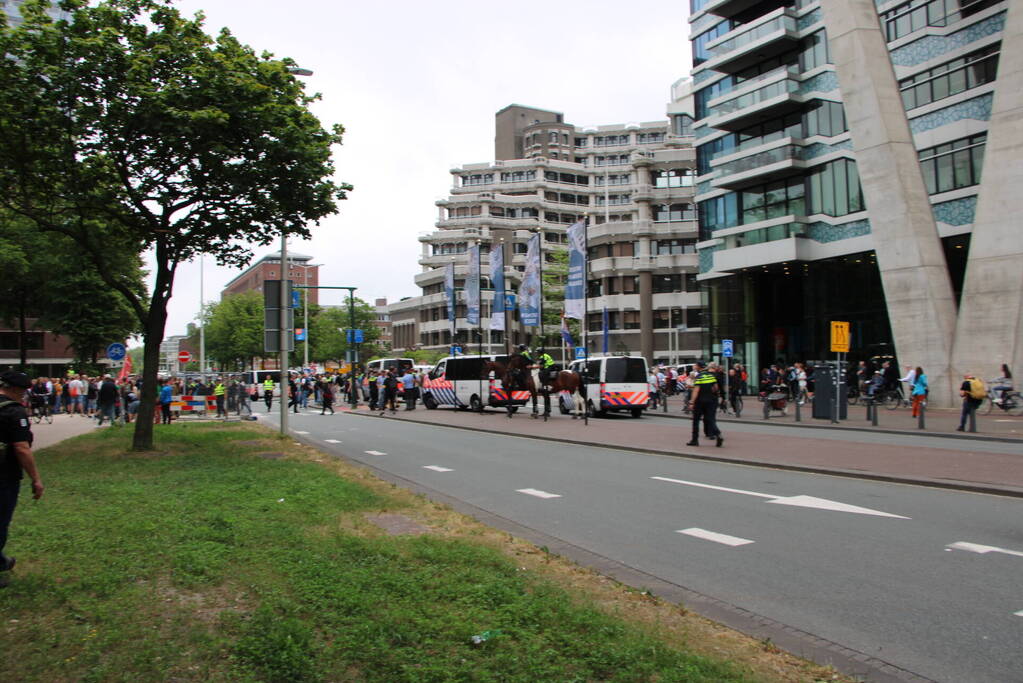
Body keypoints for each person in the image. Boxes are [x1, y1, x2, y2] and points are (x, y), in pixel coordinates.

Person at [0, 371, 44, 588]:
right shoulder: (14, 412)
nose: (25, 395)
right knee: (0, 522)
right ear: (17, 390)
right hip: (4, 475)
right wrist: (36, 479)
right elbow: (21, 448)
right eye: (24, 391)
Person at [686, 361, 723, 447]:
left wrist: (692, 402)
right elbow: (716, 388)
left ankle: (694, 440)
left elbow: (696, 390)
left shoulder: (699, 377)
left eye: (696, 365)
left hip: (700, 401)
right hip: (711, 401)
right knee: (710, 419)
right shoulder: (711, 375)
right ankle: (718, 434)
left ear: (699, 367)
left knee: (696, 421)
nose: (695, 366)